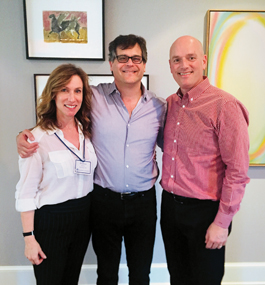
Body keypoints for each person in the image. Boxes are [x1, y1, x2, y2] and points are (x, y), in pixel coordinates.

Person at [16, 34, 167, 285]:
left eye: (136, 58)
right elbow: (59, 115)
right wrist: (21, 136)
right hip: (103, 202)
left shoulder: (159, 108)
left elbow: (175, 145)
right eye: (122, 57)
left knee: (141, 273)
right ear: (111, 63)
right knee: (106, 273)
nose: (129, 63)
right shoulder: (93, 98)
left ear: (144, 63)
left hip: (144, 203)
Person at [160, 35, 250, 285]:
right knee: (177, 278)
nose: (183, 65)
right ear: (170, 65)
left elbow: (238, 171)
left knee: (205, 280)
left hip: (205, 212)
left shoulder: (225, 105)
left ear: (203, 61)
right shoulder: (169, 104)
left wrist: (222, 223)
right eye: (177, 60)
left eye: (190, 58)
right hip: (170, 208)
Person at [15, 64, 97, 285]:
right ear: (53, 93)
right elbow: (26, 192)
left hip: (83, 218)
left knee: (71, 280)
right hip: (51, 221)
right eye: (65, 90)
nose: (72, 98)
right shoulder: (36, 138)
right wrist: (29, 238)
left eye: (77, 91)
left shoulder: (87, 130)